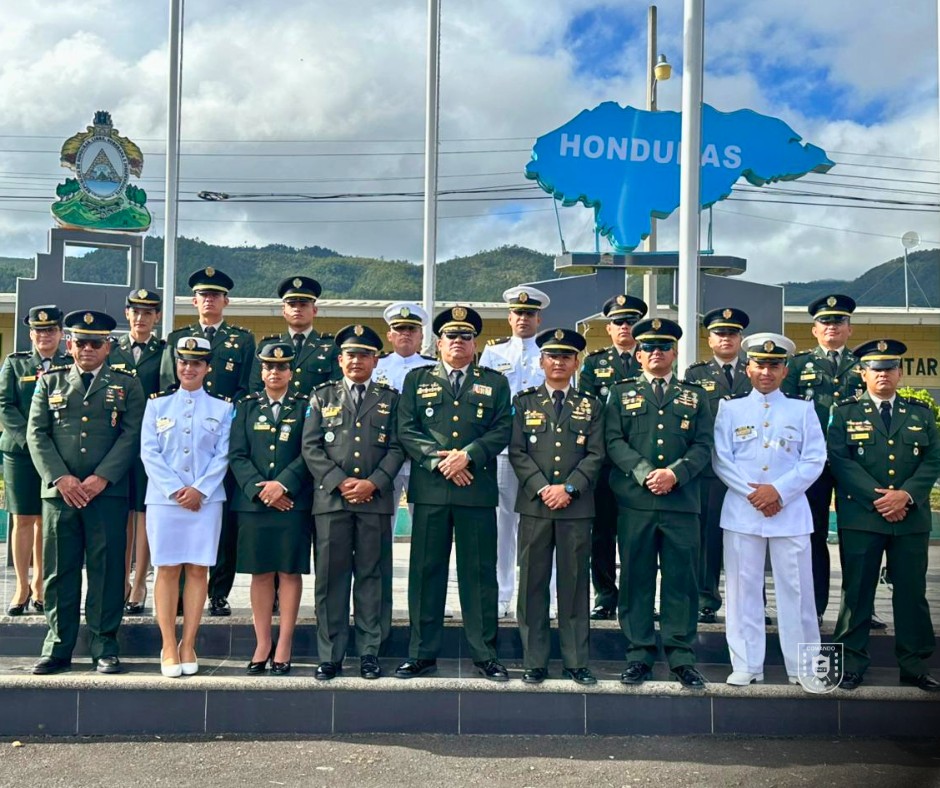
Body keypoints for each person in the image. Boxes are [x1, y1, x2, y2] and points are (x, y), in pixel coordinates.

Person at [395, 306, 512, 681]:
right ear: (438, 342)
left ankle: (485, 653)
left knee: (478, 574)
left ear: (475, 344)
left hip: (475, 490)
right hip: (430, 489)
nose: (457, 342)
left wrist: (469, 457)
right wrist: (438, 461)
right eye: (450, 336)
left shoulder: (495, 382)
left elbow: (502, 428)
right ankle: (421, 653)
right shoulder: (417, 379)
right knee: (426, 572)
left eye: (465, 337)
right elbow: (407, 428)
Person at [27, 310, 145, 675]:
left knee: (107, 570)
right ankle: (57, 646)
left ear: (109, 346)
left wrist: (101, 479)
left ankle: (104, 645)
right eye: (81, 342)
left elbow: (131, 435)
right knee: (59, 571)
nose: (88, 349)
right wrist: (61, 478)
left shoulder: (128, 384)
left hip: (105, 495)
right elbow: (37, 433)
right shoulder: (50, 382)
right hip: (60, 495)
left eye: (97, 342)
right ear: (69, 344)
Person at [605, 317, 714, 689]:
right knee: (636, 578)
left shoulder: (695, 396)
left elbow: (703, 445)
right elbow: (613, 441)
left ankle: (681, 656)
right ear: (638, 354)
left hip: (682, 502)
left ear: (675, 352)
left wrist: (676, 474)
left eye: (664, 347)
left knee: (681, 581)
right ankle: (639, 654)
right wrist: (644, 471)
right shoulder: (619, 394)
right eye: (649, 347)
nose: (656, 353)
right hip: (636, 501)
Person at [712, 333, 826, 686]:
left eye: (774, 365)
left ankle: (804, 668)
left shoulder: (802, 410)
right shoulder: (729, 409)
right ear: (748, 367)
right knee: (742, 592)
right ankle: (747, 665)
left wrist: (777, 491)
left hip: (789, 512)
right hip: (743, 511)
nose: (766, 371)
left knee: (798, 593)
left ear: (784, 370)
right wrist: (756, 494)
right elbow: (721, 458)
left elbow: (814, 458)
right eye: (760, 364)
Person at [829, 339, 940, 692]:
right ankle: (851, 663)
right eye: (875, 369)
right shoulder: (845, 412)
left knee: (911, 592)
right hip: (863, 515)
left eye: (889, 369)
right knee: (857, 592)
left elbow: (933, 459)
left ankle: (914, 665)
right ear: (863, 374)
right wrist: (880, 499)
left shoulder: (920, 413)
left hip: (910, 516)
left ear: (900, 373)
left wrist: (905, 495)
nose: (883, 375)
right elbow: (840, 460)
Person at [303, 325, 405, 680]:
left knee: (371, 577)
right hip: (332, 501)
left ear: (376, 360)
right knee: (331, 578)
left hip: (374, 501)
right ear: (340, 359)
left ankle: (369, 652)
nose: (357, 361)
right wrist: (340, 481)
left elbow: (397, 446)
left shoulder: (390, 398)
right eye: (351, 355)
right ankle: (330, 654)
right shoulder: (322, 396)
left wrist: (373, 483)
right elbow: (311, 446)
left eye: (364, 355)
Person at [509, 328, 604, 686]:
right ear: (541, 361)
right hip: (536, 505)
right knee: (532, 584)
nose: (559, 362)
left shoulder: (591, 405)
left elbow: (596, 454)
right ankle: (534, 660)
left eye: (566, 356)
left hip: (575, 507)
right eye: (552, 356)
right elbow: (517, 451)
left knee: (575, 584)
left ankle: (576, 660)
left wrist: (568, 488)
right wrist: (542, 488)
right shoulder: (524, 402)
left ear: (577, 362)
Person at [160, 266, 256, 616]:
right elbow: (169, 387)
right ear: (194, 300)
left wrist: (227, 429)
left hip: (221, 440)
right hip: (183, 441)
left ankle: (218, 591)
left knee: (222, 519)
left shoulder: (242, 340)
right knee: (183, 515)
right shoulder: (177, 339)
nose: (209, 299)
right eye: (204, 294)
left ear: (226, 301)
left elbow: (246, 390)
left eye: (216, 295)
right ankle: (184, 592)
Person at [142, 337, 232, 678]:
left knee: (198, 570)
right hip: (165, 500)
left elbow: (223, 455)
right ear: (177, 365)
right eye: (184, 362)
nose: (189, 368)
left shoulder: (222, 409)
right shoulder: (157, 406)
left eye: (197, 363)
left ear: (207, 368)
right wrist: (177, 490)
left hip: (205, 502)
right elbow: (149, 453)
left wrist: (200, 490)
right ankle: (167, 643)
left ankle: (189, 642)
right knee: (166, 569)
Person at [782, 293, 865, 626]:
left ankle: (859, 607)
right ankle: (814, 607)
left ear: (849, 329)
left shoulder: (865, 366)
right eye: (825, 322)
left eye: (839, 321)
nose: (832, 327)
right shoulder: (799, 366)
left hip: (855, 464)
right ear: (814, 329)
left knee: (857, 537)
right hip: (810, 464)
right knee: (812, 534)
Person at [230, 341, 312, 676]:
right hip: (255, 503)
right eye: (268, 367)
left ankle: (285, 643)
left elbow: (310, 450)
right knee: (260, 572)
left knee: (289, 572)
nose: (274, 373)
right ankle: (263, 641)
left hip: (292, 502)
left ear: (291, 372)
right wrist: (260, 489)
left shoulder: (306, 405)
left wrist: (283, 485)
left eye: (281, 367)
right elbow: (236, 454)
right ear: (261, 371)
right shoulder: (246, 406)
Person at [478, 285, 549, 618]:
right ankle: (502, 593)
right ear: (509, 317)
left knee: (540, 525)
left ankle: (542, 595)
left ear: (539, 318)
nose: (523, 319)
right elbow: (485, 401)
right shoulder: (494, 355)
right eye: (518, 313)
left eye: (529, 314)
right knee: (503, 523)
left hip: (543, 451)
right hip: (505, 450)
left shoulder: (550, 353)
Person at [577, 294, 647, 620]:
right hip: (605, 463)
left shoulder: (650, 357)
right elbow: (589, 412)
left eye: (631, 321)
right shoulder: (594, 364)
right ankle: (605, 595)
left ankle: (637, 595)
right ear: (609, 329)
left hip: (640, 464)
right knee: (602, 532)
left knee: (638, 534)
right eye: (619, 322)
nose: (625, 327)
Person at [683, 307, 752, 624]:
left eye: (732, 333)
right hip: (709, 470)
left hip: (751, 470)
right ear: (709, 338)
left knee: (751, 538)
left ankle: (752, 601)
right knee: (707, 539)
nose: (726, 338)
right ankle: (705, 598)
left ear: (740, 338)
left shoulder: (754, 371)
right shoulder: (696, 375)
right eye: (720, 333)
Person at [0, 305, 70, 615]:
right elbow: (5, 404)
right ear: (31, 334)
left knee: (47, 520)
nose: (45, 336)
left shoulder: (69, 365)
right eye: (40, 331)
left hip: (55, 455)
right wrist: (30, 442)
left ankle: (42, 584)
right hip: (20, 453)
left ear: (60, 334)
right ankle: (21, 585)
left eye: (51, 330)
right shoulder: (15, 365)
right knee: (23, 518)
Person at [109, 288, 165, 616]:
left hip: (152, 443)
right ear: (127, 313)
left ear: (156, 316)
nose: (141, 318)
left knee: (144, 512)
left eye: (148, 312)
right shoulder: (111, 349)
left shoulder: (165, 351)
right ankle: (121, 580)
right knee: (123, 511)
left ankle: (141, 580)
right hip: (117, 442)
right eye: (136, 311)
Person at [373, 302, 435, 528]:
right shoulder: (376, 366)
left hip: (421, 455)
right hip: (384, 454)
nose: (405, 334)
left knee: (425, 522)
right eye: (399, 329)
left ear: (421, 335)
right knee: (382, 522)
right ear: (390, 334)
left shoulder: (435, 369)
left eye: (412, 329)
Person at [249, 276, 341, 396]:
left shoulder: (331, 346)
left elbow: (335, 387)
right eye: (292, 305)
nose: (297, 309)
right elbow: (256, 386)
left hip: (316, 412)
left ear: (314, 310)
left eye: (303, 305)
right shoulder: (267, 345)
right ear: (284, 311)